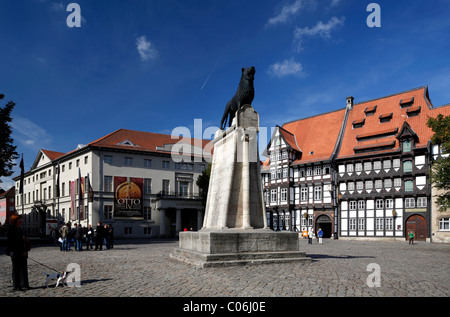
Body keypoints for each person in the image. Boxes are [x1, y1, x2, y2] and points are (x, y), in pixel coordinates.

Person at [6, 215, 30, 291]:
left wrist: (25, 249)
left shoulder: (20, 229)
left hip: (23, 252)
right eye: (20, 220)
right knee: (16, 269)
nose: (21, 221)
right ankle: (16, 286)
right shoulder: (12, 230)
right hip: (15, 252)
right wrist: (21, 252)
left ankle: (25, 285)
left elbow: (22, 240)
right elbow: (12, 243)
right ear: (15, 220)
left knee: (23, 269)